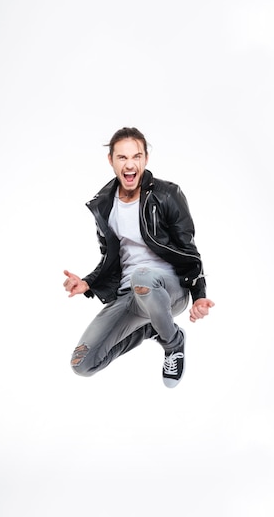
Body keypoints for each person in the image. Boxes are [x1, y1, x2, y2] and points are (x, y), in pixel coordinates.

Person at [63, 127, 214, 387]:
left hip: (168, 290)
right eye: (122, 158)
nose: (130, 164)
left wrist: (199, 296)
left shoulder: (167, 194)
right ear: (111, 160)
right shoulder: (104, 204)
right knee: (82, 364)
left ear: (145, 158)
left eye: (136, 156)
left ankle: (173, 343)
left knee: (142, 276)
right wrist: (88, 283)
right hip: (129, 295)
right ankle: (152, 327)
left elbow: (189, 250)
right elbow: (110, 258)